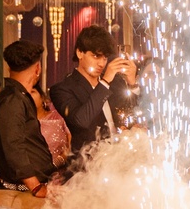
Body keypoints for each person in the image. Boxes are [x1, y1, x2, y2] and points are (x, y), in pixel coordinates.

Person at [50, 25, 137, 160]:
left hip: (121, 159)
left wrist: (132, 83)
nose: (101, 64)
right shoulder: (62, 89)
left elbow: (132, 115)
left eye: (105, 58)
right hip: (88, 163)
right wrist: (105, 81)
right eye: (96, 56)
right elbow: (81, 121)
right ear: (80, 53)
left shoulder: (115, 82)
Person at [0, 40, 59, 201]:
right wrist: (35, 186)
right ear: (37, 68)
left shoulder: (17, 96)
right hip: (22, 192)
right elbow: (13, 145)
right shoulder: (12, 99)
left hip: (30, 188)